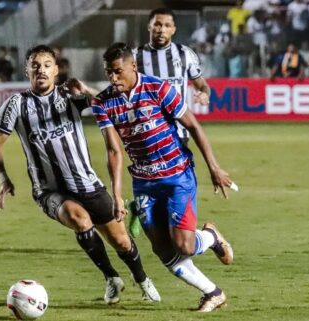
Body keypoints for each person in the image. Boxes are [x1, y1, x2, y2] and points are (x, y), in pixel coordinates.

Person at [0, 44, 160, 305]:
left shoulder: (70, 97)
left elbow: (108, 104)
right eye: (35, 66)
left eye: (47, 65)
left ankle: (142, 279)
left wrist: (87, 91)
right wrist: (3, 178)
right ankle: (111, 277)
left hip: (87, 183)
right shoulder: (15, 106)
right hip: (49, 191)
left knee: (122, 242)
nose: (41, 70)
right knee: (79, 220)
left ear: (56, 70)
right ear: (27, 71)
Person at [92, 42, 235, 313]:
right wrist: (118, 195)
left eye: (117, 71)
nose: (112, 78)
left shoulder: (159, 89)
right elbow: (113, 150)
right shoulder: (103, 102)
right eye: (108, 72)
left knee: (184, 244)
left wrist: (214, 167)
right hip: (144, 183)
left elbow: (192, 125)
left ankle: (211, 237)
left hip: (177, 176)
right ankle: (212, 293)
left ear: (133, 66)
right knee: (162, 249)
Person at [131, 8, 212, 235]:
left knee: (174, 184)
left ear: (174, 30)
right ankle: (143, 206)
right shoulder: (135, 57)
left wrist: (204, 93)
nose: (161, 29)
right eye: (157, 24)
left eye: (167, 25)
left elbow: (201, 84)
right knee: (151, 178)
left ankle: (149, 210)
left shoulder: (185, 54)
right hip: (146, 134)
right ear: (149, 27)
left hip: (178, 132)